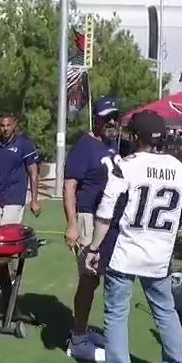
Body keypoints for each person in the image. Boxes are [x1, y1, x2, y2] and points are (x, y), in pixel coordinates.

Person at [84, 110, 182, 363]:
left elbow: (106, 213)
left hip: (126, 250)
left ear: (135, 137)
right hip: (159, 254)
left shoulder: (126, 165)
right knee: (165, 311)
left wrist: (94, 248)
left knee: (117, 313)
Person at [62, 98, 121, 340]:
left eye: (114, 117)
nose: (111, 122)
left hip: (109, 221)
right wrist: (72, 224)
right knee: (89, 278)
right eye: (107, 117)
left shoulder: (111, 145)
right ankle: (78, 332)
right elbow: (69, 188)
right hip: (88, 218)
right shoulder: (84, 146)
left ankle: (90, 329)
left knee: (108, 277)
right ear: (95, 119)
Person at [0, 112, 42, 225]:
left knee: (7, 234)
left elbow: (33, 172)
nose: (5, 129)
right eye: (2, 126)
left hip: (15, 198)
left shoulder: (24, 144)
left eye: (8, 125)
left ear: (14, 125)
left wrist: (34, 200)